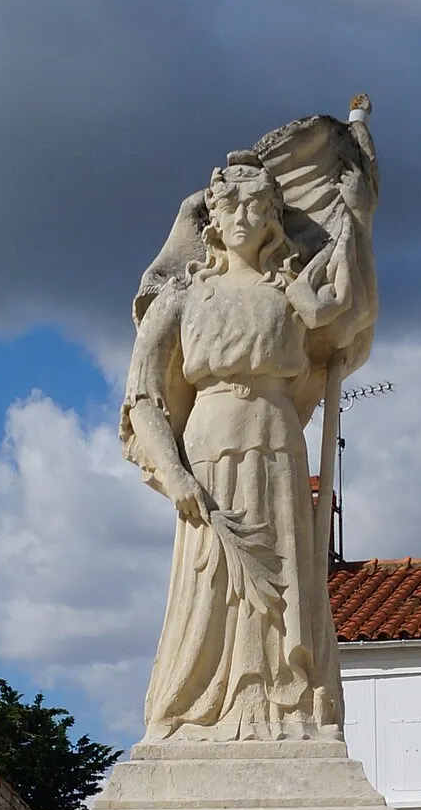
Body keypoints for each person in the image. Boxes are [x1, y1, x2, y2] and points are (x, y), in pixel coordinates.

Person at [122, 99, 378, 741]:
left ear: (272, 217)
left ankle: (287, 705)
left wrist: (358, 224)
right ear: (210, 219)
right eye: (228, 206)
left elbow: (344, 317)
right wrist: (172, 471)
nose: (241, 216)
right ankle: (194, 710)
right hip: (208, 445)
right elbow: (144, 398)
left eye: (257, 205)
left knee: (287, 576)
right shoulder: (181, 296)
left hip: (274, 440)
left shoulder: (291, 292)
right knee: (210, 582)